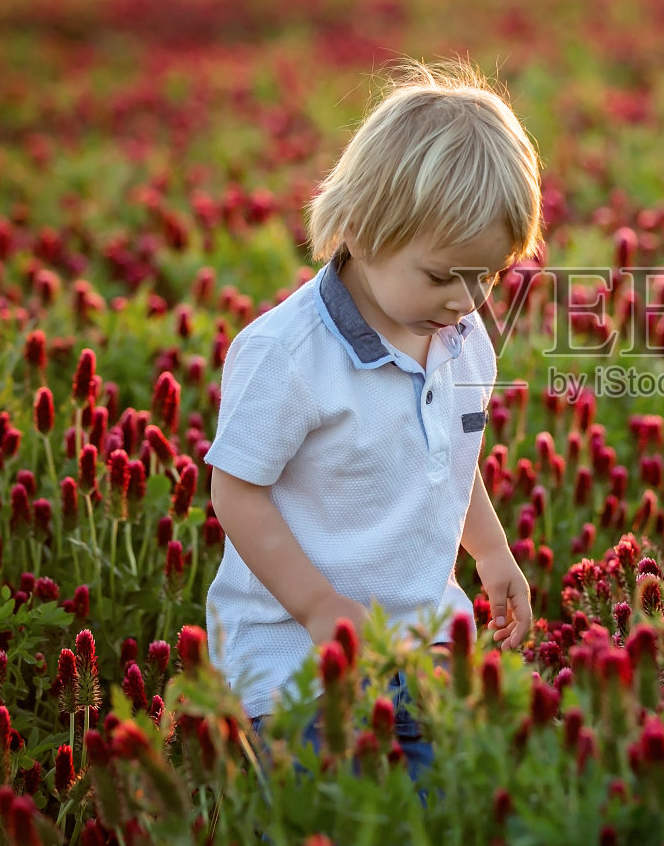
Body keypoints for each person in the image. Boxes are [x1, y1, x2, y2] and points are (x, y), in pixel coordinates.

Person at [204, 58, 540, 786]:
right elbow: (236, 493)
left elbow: (449, 456)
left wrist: (489, 551)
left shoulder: (460, 336)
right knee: (345, 824)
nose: (468, 299)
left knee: (443, 817)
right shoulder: (286, 354)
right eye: (443, 274)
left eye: (487, 275)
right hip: (301, 661)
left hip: (425, 639)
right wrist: (318, 603)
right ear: (359, 228)